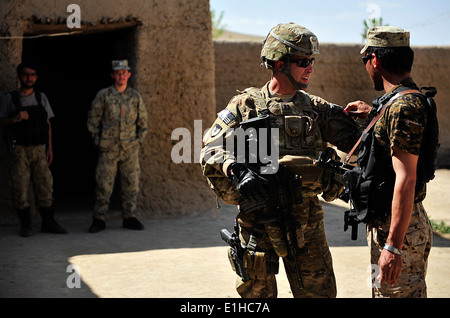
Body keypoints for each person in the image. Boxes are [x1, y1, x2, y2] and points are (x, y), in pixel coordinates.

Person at [200, 23, 364, 298]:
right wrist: (237, 169)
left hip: (307, 223)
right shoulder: (246, 105)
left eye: (311, 61)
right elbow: (210, 147)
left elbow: (363, 145)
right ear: (278, 63)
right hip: (257, 223)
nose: (310, 67)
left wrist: (376, 115)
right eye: (303, 62)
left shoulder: (316, 109)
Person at [344, 26, 436, 297]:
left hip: (399, 230)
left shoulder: (403, 108)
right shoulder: (399, 102)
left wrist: (394, 247)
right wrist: (373, 112)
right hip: (392, 223)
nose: (367, 67)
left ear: (375, 60)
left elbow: (406, 178)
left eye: (366, 61)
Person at [0, 62, 67, 237]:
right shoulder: (11, 98)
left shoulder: (41, 97)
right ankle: (26, 224)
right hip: (20, 149)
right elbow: (1, 121)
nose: (29, 78)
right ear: (19, 76)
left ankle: (48, 222)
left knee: (45, 186)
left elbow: (48, 124)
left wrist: (50, 148)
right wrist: (14, 119)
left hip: (39, 149)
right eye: (26, 74)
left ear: (36, 77)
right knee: (20, 188)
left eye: (32, 75)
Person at [87, 60, 148, 233]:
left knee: (131, 184)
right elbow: (92, 121)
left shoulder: (135, 97)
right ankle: (99, 218)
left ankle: (129, 217)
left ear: (129, 74)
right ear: (113, 75)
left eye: (124, 72)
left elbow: (143, 122)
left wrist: (138, 141)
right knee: (104, 184)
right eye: (118, 73)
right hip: (109, 148)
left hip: (130, 149)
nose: (121, 75)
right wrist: (99, 141)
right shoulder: (104, 95)